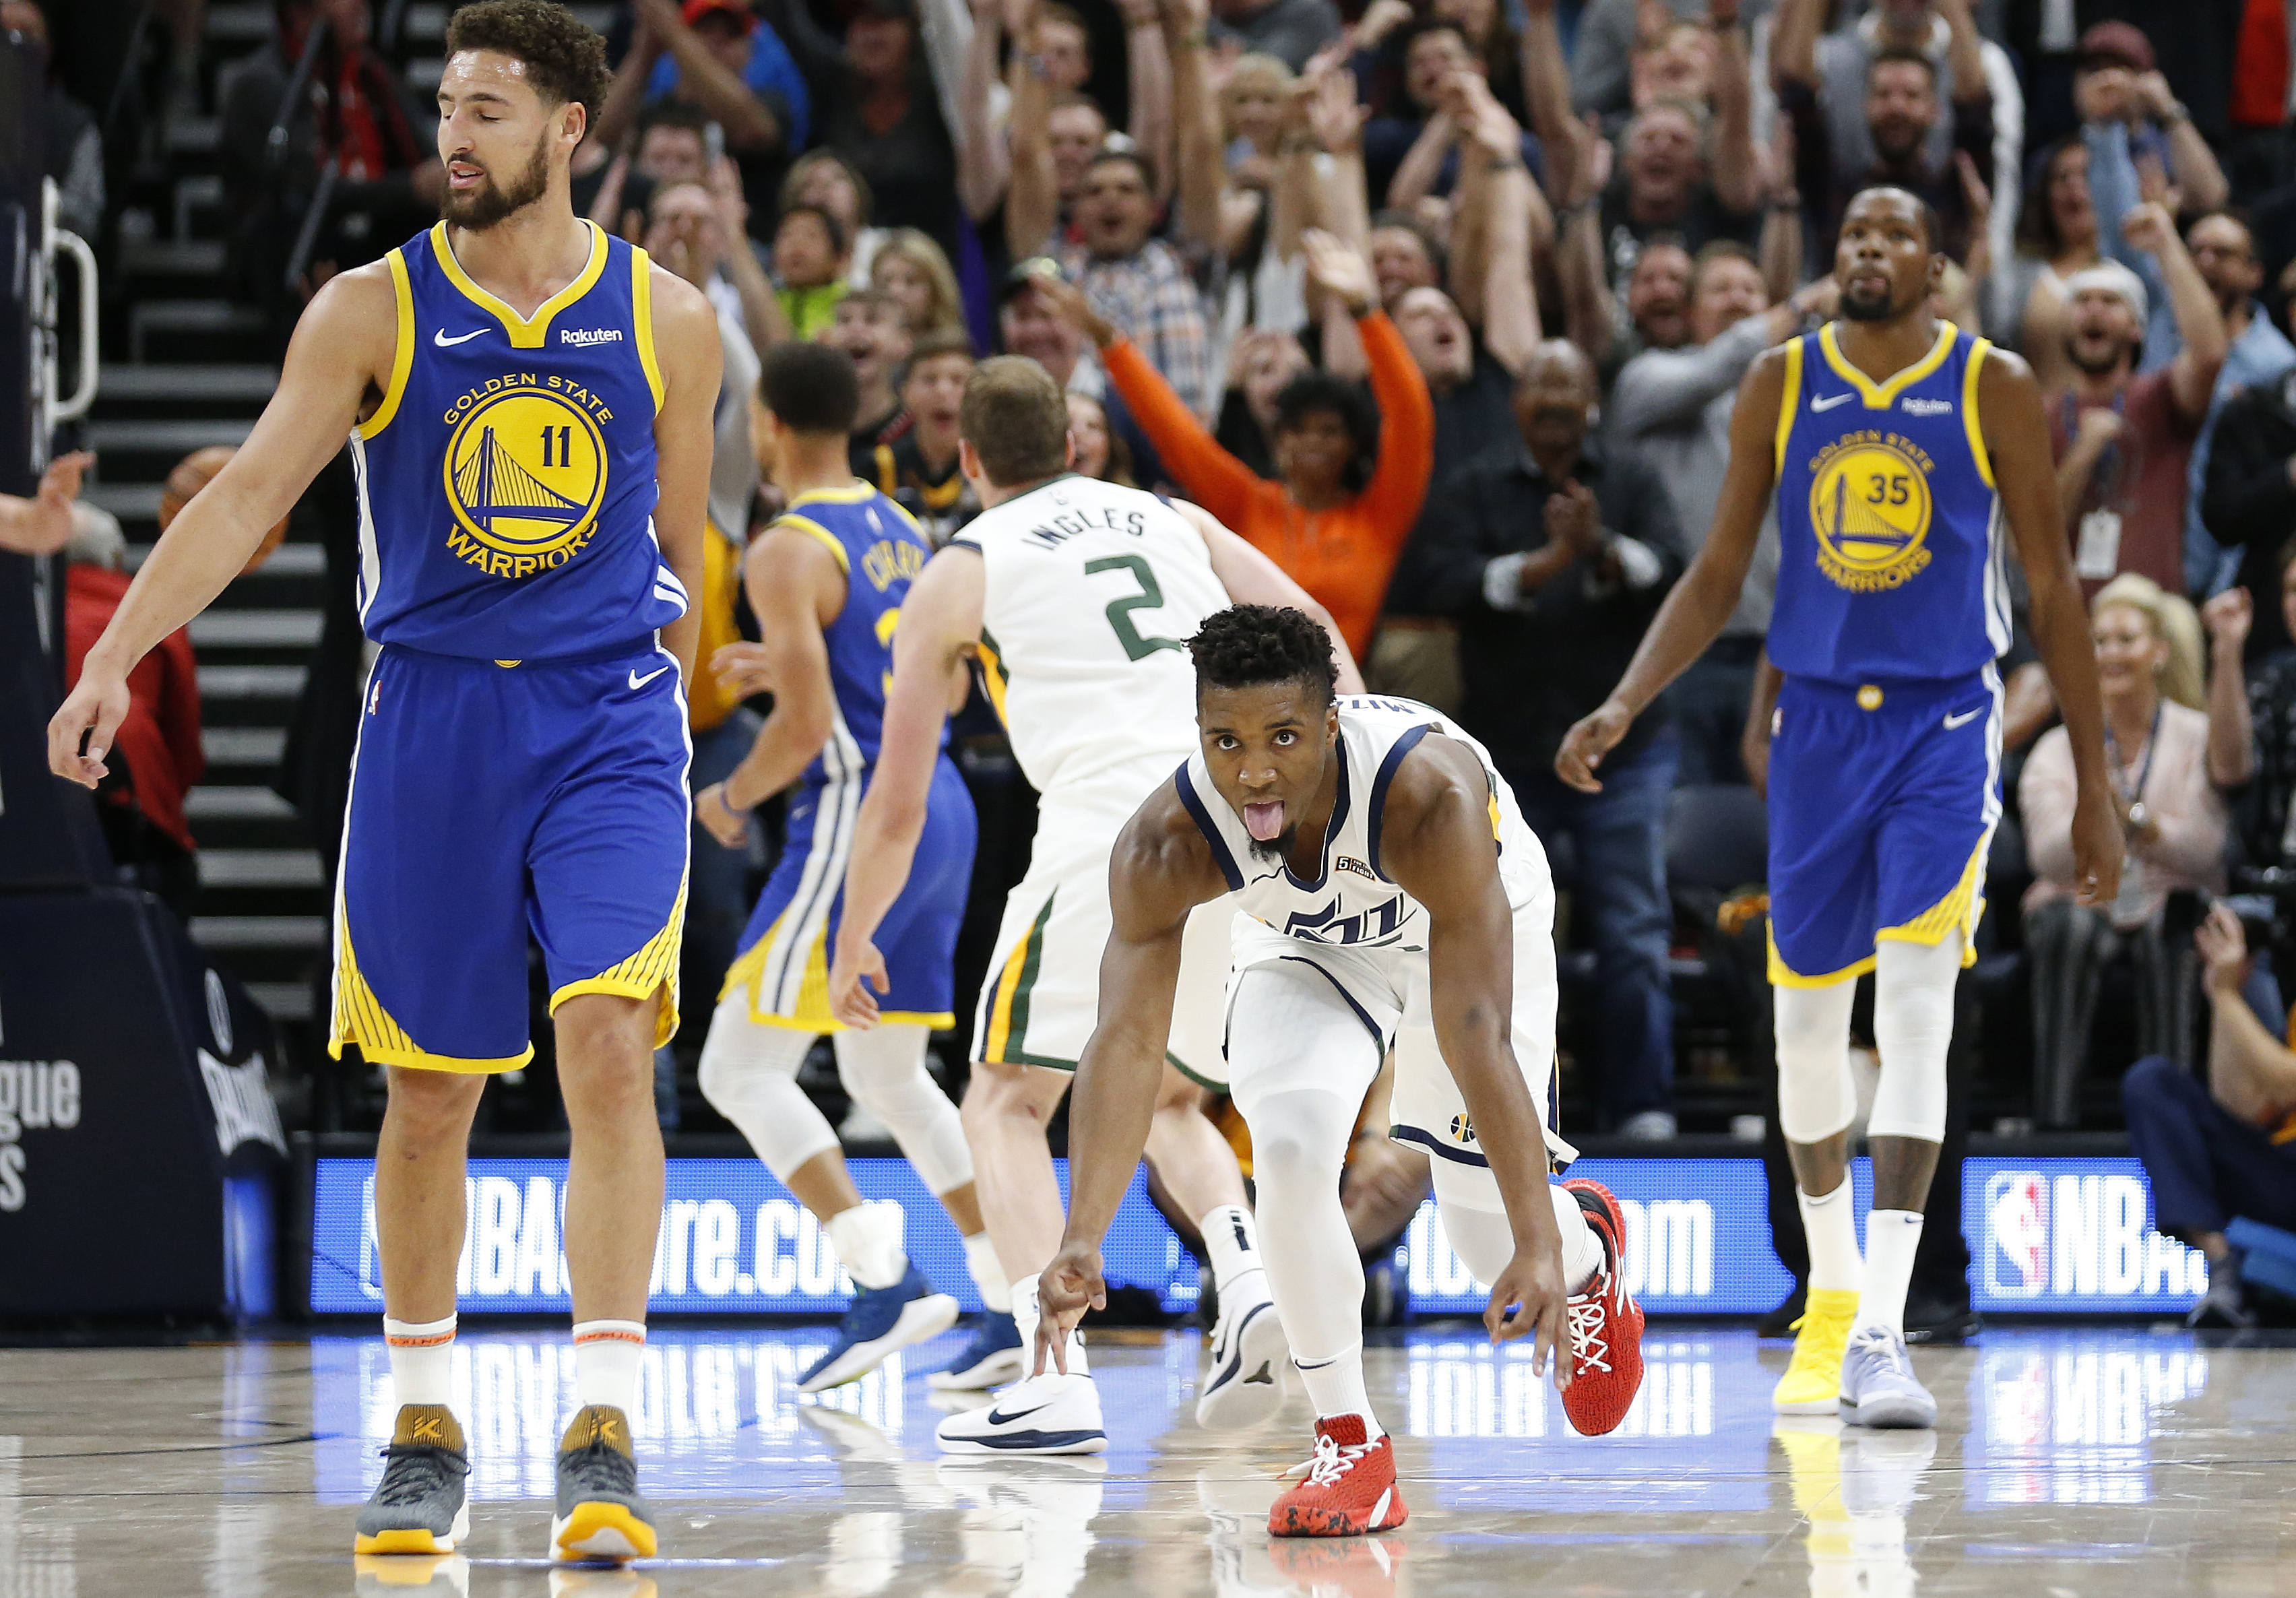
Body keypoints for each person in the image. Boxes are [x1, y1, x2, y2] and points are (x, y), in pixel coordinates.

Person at [50, 1, 722, 1562]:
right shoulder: (368, 307)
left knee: (609, 1046)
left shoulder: (672, 319)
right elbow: (245, 505)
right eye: (443, 105)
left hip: (608, 716)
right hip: (429, 723)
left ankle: (602, 1418)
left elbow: (678, 546)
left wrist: (689, 708)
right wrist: (110, 658)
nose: (452, 137)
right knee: (429, 1090)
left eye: (487, 110)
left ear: (568, 128)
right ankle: (422, 1419)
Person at [1556, 185, 2122, 1430]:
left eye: (1892, 234)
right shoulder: (1777, 378)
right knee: (1804, 1032)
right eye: (1850, 233)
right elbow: (1716, 573)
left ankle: (1880, 1329)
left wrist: (2092, 785)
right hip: (1813, 725)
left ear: (1934, 264)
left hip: (1943, 723)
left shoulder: (1994, 383)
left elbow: (2048, 587)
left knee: (1917, 1009)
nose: (1865, 248)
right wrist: (1623, 701)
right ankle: (1828, 1300)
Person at [821, 358, 1367, 1454]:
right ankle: (1248, 1281)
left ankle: (1049, 1369)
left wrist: (853, 930)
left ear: (969, 460)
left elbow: (897, 794)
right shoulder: (1165, 513)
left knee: (1004, 1100)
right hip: (1231, 820)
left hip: (1107, 837)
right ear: (1073, 447)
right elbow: (1309, 624)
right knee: (1163, 1101)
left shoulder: (964, 562)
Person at [1034, 606, 1645, 1537]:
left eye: (1284, 737)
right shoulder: (1167, 840)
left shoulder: (1427, 797)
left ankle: (1589, 1240)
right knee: (1283, 1149)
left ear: (1331, 721)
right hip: (1308, 941)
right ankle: (1350, 1442)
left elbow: (1474, 1026)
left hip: (1459, 916)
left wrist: (1538, 1241)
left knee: (1489, 1243)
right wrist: (1082, 1234)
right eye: (1225, 741)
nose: (1255, 771)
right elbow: (1123, 1042)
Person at [693, 342, 998, 1393]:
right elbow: (942, 691)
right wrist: (784, 666)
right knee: (887, 1074)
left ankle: (884, 1278)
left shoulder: (783, 548)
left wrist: (731, 798)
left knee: (736, 1070)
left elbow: (813, 725)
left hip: (857, 814)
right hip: (938, 804)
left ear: (767, 424)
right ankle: (1007, 1302)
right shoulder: (901, 527)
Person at [1418, 340, 1685, 1137]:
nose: (1557, 398)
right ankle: (1504, 1110)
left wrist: (1598, 549)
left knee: (1634, 933)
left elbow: (1675, 573)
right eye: (1542, 384)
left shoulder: (1632, 480)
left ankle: (1645, 1111)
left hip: (1623, 755)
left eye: (1572, 382)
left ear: (1593, 398)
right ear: (1517, 402)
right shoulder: (1474, 485)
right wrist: (1539, 566)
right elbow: (1437, 580)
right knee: (1499, 937)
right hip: (1508, 760)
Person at [1052, 232, 1434, 662]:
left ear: (1353, 446)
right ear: (1278, 439)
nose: (1311, 442)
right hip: (1244, 702)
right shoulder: (1249, 504)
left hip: (1339, 700)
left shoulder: (1379, 515)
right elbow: (1178, 435)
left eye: (1329, 432)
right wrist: (1111, 343)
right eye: (1298, 429)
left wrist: (1367, 313)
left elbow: (1410, 417)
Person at [2020, 576, 2246, 1124]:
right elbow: (2045, 856)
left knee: (2177, 926)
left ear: (2160, 652)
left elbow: (2208, 851)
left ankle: (2172, 1123)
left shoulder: (2195, 735)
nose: (2111, 653)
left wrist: (2138, 824)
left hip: (2170, 905)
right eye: (2099, 641)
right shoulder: (2058, 744)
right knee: (2066, 928)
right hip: (2082, 905)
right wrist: (2098, 820)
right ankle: (2054, 1124)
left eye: (2127, 639)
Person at [1609, 248, 1825, 784]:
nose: (1739, 301)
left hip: (1781, 655)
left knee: (1782, 821)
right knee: (1684, 833)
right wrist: (1798, 308)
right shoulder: (1650, 378)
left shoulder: (1802, 399)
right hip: (1683, 660)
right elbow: (1723, 366)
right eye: (1722, 289)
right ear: (1690, 314)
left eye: (1750, 290)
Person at [2124, 901, 2296, 1328]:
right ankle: (2222, 1269)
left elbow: (2288, 1084)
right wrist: (2227, 986)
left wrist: (2223, 994)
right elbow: (2242, 1104)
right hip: (2282, 1169)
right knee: (2153, 1083)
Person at [2050, 209, 2228, 600]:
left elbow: (2211, 353)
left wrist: (2166, 243)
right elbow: (2027, 538)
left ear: (2137, 327)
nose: (2094, 310)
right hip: (2068, 619)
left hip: (2156, 612)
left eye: (2110, 301)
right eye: (2081, 301)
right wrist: (2083, 454)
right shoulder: (2042, 413)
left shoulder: (2159, 395)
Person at [1773, 0, 1994, 267]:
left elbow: (1974, 103)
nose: (1896, 106)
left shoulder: (1959, 186)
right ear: (1865, 105)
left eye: (1911, 95)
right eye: (1883, 94)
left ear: (1935, 108)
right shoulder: (1834, 189)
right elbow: (1797, 91)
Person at [2184, 212, 2296, 596]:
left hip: (2236, 571)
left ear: (2255, 273)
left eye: (2223, 253)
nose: (2205, 263)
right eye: (2195, 251)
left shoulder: (2278, 367)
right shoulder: (2158, 341)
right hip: (2167, 551)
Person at [869, 228, 968, 342]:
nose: (896, 292)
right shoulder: (856, 356)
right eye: (885, 283)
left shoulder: (954, 354)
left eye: (911, 282)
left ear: (936, 291)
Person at [774, 203, 852, 338]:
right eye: (787, 234)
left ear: (839, 259)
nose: (797, 243)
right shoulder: (767, 302)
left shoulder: (850, 303)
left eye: (811, 236)